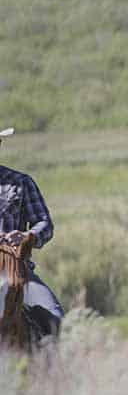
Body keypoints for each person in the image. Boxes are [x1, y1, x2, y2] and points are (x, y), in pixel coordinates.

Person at [0, 127, 64, 338]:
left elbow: (44, 224)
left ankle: (52, 370)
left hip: (16, 271)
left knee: (54, 319)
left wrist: (27, 236)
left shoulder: (20, 183)